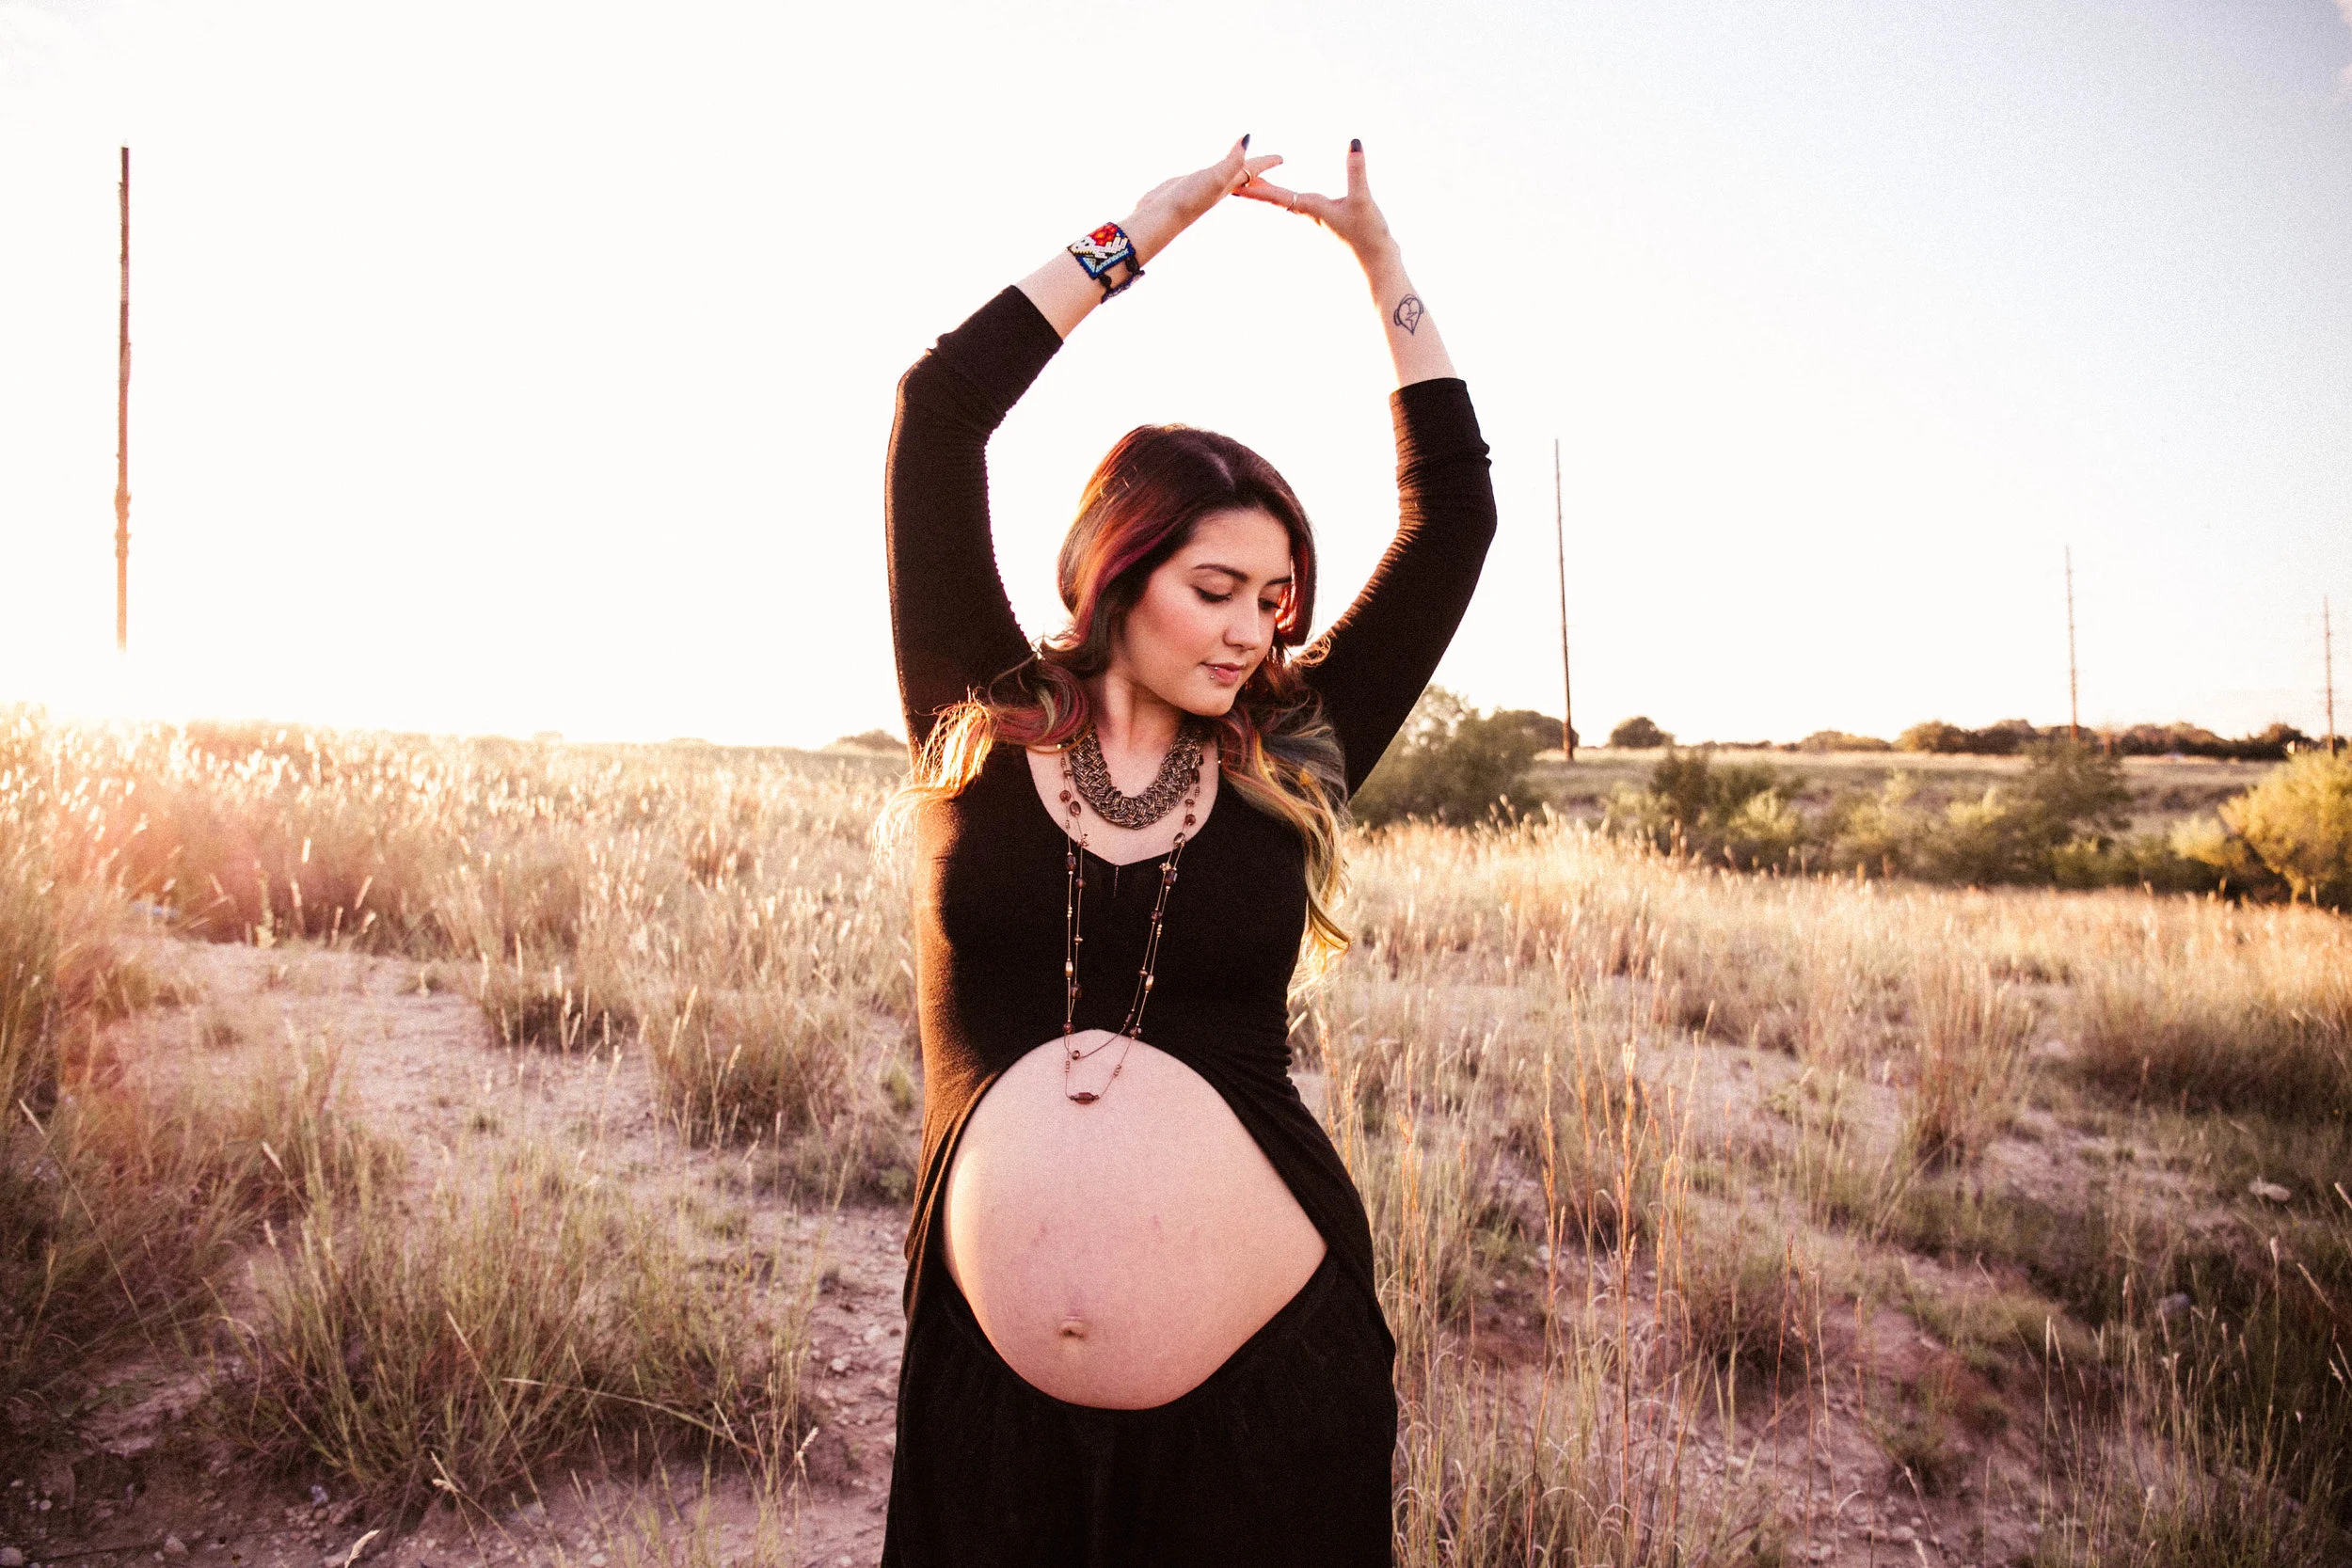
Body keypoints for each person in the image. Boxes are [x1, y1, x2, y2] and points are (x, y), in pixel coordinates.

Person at [879, 135, 1497, 1566]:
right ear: (1117, 568)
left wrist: (1382, 263)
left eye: (1275, 601)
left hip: (1267, 1401)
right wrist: (1140, 232)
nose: (1250, 632)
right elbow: (938, 411)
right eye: (1217, 587)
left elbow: (1452, 520)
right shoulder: (977, 717)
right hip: (990, 1404)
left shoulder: (1292, 756)